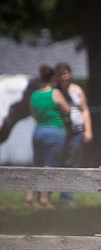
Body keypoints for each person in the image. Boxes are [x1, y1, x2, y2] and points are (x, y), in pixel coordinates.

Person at [25, 64, 71, 208]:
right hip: (55, 132)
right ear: (52, 78)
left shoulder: (35, 95)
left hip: (38, 131)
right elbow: (67, 110)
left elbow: (33, 113)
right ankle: (44, 198)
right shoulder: (55, 93)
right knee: (49, 166)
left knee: (36, 165)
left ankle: (29, 197)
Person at [55, 62, 93, 205]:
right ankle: (47, 196)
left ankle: (66, 198)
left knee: (71, 163)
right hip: (60, 132)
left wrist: (88, 130)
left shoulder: (77, 90)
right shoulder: (54, 91)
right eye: (61, 74)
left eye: (66, 73)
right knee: (56, 163)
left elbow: (85, 110)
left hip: (76, 133)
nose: (64, 77)